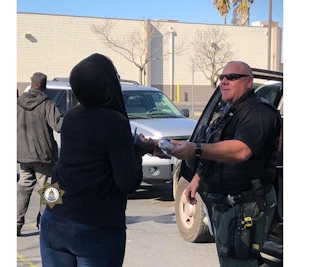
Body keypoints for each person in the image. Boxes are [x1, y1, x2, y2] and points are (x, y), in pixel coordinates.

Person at [39, 53, 160, 267]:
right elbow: (127, 182)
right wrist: (139, 151)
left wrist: (50, 211)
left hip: (53, 219)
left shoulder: (71, 117)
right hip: (94, 226)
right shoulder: (115, 121)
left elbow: (81, 162)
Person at [166, 61, 281, 267]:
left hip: (246, 205)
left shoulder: (259, 112)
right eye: (222, 78)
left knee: (240, 262)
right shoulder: (230, 111)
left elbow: (241, 150)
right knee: (230, 259)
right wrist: (196, 180)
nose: (224, 82)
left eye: (232, 77)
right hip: (227, 204)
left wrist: (195, 149)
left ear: (249, 82)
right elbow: (218, 149)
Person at [17, 72, 64, 236]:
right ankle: (46, 223)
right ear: (44, 86)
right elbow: (59, 126)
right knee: (50, 189)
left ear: (31, 84)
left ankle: (15, 223)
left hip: (23, 155)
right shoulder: (47, 104)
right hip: (43, 156)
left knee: (23, 188)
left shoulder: (18, 104)